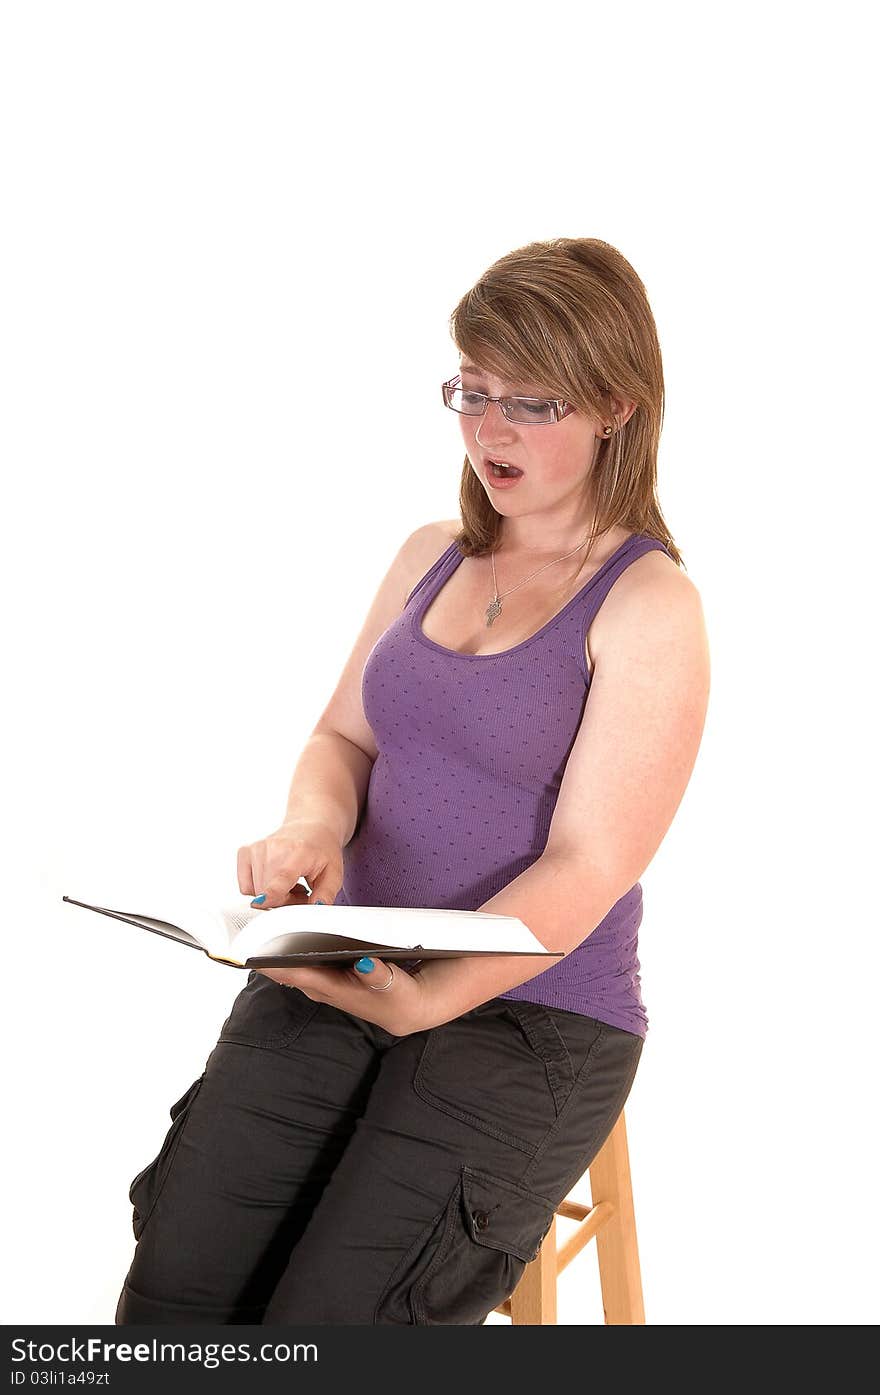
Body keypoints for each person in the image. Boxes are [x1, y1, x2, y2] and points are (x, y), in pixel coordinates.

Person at [114, 236, 710, 1326]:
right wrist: (309, 827)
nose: (489, 431)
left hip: (533, 1011)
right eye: (472, 392)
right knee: (173, 1296)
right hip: (354, 956)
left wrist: (429, 998)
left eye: (529, 403)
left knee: (332, 1326)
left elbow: (589, 864)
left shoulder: (648, 606)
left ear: (616, 405)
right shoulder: (429, 554)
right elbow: (342, 740)